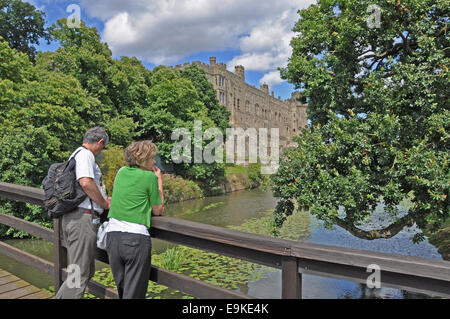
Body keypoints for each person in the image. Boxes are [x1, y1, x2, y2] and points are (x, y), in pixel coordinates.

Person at [55, 126, 111, 299]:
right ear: (100, 142)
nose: (102, 151)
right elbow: (86, 183)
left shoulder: (76, 154)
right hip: (81, 220)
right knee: (79, 275)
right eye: (103, 147)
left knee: (80, 271)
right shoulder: (86, 155)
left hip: (74, 217)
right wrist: (104, 204)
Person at [105, 140, 164, 299]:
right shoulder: (149, 177)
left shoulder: (121, 171)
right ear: (143, 159)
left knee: (123, 291)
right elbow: (158, 210)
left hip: (112, 237)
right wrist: (158, 180)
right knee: (134, 295)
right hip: (135, 240)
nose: (154, 161)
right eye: (152, 158)